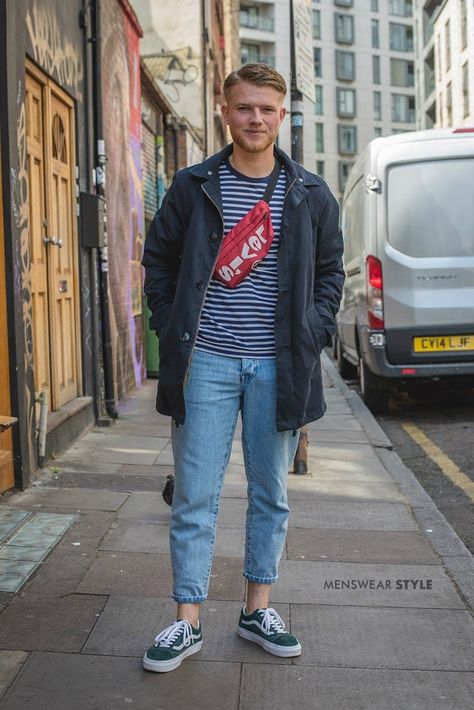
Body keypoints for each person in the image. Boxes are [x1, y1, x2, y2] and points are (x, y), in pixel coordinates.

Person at [141, 63, 344, 673]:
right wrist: (167, 324)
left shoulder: (309, 193)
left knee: (271, 494)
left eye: (267, 109)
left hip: (279, 366)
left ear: (282, 116)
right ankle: (186, 621)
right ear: (224, 112)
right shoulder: (194, 185)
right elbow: (159, 261)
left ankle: (258, 609)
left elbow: (332, 273)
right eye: (244, 107)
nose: (255, 118)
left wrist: (313, 330)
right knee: (195, 495)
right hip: (205, 361)